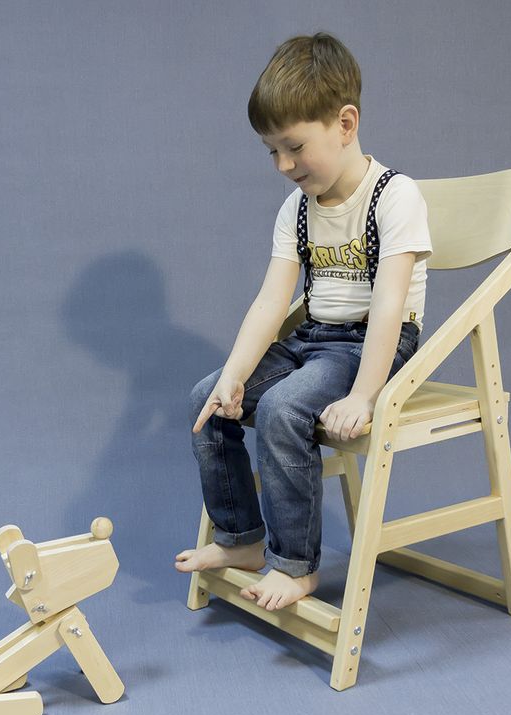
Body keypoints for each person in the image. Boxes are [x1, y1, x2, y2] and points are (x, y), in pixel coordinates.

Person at [175, 32, 433, 612]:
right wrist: (233, 376)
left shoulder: (394, 196)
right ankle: (241, 539)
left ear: (345, 124)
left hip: (372, 346)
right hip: (313, 338)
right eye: (271, 151)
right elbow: (272, 302)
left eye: (294, 146)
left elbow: (389, 306)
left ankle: (296, 566)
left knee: (282, 408)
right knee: (205, 401)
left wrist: (364, 394)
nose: (284, 165)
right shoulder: (297, 208)